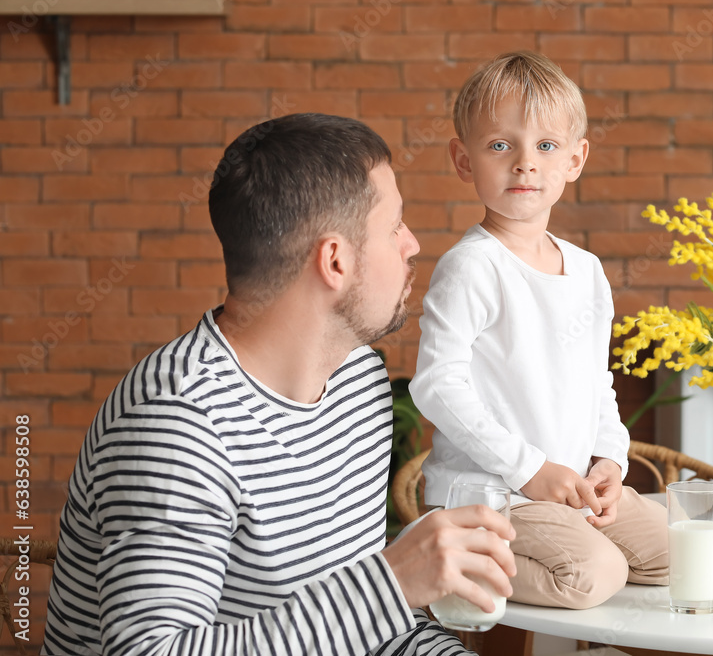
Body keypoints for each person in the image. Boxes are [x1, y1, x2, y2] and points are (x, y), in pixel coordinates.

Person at [41, 113, 516, 656]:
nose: (411, 245)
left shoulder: (357, 378)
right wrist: (390, 584)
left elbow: (365, 632)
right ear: (335, 261)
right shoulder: (178, 423)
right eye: (394, 227)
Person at [409, 51, 670, 611]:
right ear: (463, 159)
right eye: (500, 145)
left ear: (575, 159)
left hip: (571, 489)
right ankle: (455, 565)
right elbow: (437, 385)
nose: (525, 164)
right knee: (594, 574)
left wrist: (610, 461)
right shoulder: (473, 267)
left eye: (545, 146)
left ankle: (575, 536)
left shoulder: (587, 270)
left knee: (683, 552)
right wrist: (529, 469)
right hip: (495, 494)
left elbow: (597, 382)